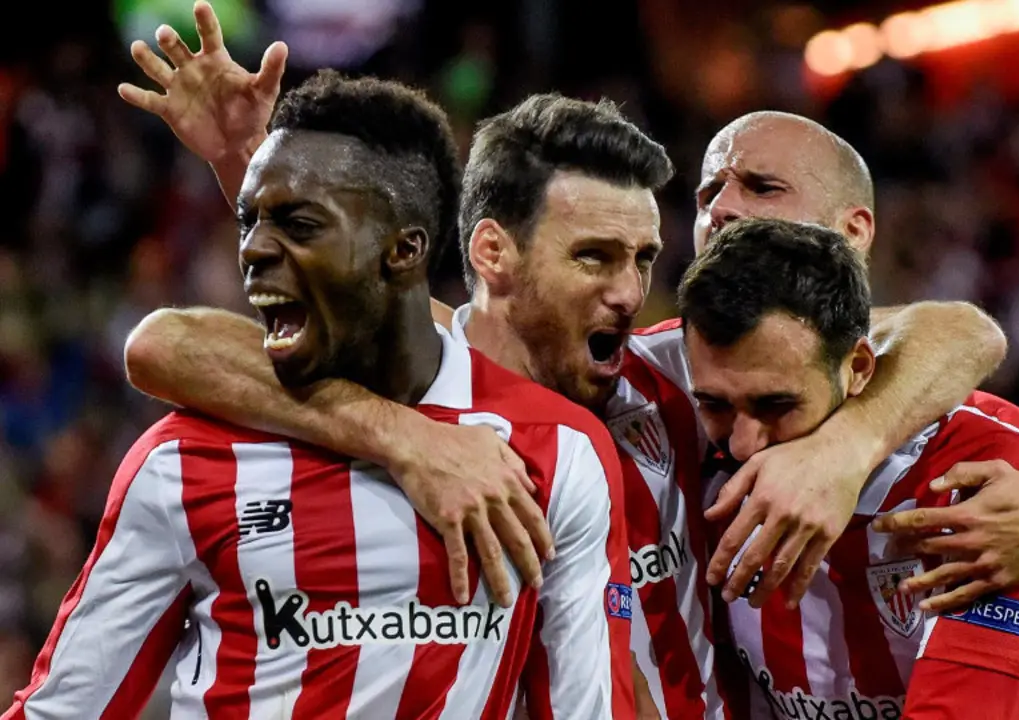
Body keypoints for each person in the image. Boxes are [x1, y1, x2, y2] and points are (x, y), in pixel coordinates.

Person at [118, 6, 1010, 718]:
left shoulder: (671, 383)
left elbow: (960, 331)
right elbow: (167, 345)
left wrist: (840, 450)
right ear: (496, 253)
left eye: (642, 259)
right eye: (595, 259)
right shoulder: (432, 381)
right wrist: (401, 436)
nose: (631, 291)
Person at [4, 71, 635, 719]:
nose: (251, 250)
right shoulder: (181, 462)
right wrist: (403, 436)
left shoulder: (558, 451)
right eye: (249, 221)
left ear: (404, 251)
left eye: (298, 225)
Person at [693, 110, 1019, 619]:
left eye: (763, 188)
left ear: (851, 231)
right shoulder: (652, 367)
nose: (722, 208)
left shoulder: (934, 410)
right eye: (708, 192)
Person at [683, 217, 1019, 719]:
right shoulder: (696, 460)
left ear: (858, 370)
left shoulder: (979, 475)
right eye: (715, 405)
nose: (744, 443)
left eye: (777, 405)